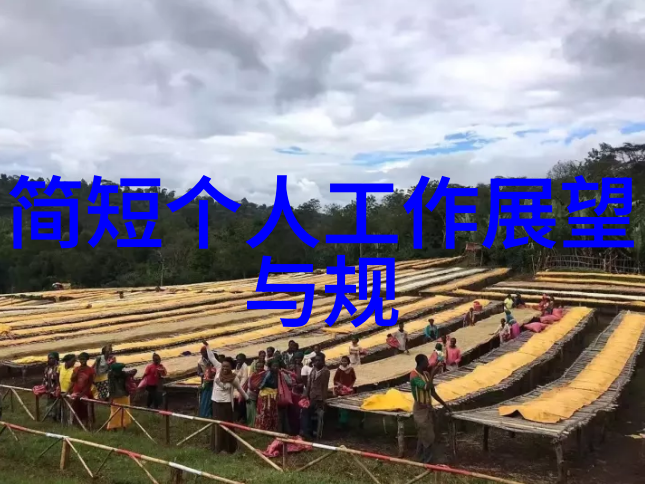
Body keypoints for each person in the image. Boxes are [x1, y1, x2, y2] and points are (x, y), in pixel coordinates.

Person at [410, 354, 452, 463]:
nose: (428, 363)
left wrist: (445, 405)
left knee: (424, 434)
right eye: (426, 361)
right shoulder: (414, 375)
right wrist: (433, 374)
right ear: (420, 363)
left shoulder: (426, 374)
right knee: (428, 435)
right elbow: (426, 387)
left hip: (428, 408)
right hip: (420, 409)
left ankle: (420, 457)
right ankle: (427, 461)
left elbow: (432, 392)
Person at [211, 357, 248, 453]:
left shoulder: (234, 378)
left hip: (225, 404)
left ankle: (227, 447)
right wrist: (207, 348)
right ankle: (216, 446)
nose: (224, 368)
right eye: (223, 366)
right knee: (216, 425)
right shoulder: (218, 369)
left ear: (231, 367)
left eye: (227, 366)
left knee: (225, 425)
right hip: (215, 402)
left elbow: (239, 388)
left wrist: (247, 398)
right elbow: (211, 357)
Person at [255, 358, 291, 433]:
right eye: (274, 366)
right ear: (270, 367)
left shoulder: (279, 374)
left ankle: (271, 429)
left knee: (272, 413)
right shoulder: (268, 374)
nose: (276, 367)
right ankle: (264, 429)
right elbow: (261, 385)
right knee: (266, 413)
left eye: (277, 366)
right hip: (266, 396)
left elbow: (289, 382)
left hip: (273, 395)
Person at [301, 356, 330, 439]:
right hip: (311, 396)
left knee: (308, 412)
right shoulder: (313, 370)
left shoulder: (325, 371)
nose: (317, 362)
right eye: (315, 361)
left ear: (323, 361)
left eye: (319, 360)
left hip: (319, 397)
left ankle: (308, 432)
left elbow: (324, 386)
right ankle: (307, 431)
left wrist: (323, 399)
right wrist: (305, 394)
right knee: (305, 411)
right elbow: (309, 384)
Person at [107, 363, 136, 430]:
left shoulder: (121, 374)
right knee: (119, 413)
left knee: (119, 413)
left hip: (121, 396)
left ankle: (119, 427)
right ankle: (118, 428)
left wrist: (110, 399)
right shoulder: (115, 375)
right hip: (120, 396)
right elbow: (111, 388)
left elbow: (111, 389)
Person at [70, 353, 95, 426]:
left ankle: (86, 422)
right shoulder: (76, 369)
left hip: (86, 392)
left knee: (84, 407)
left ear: (87, 360)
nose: (82, 361)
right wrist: (77, 372)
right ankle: (76, 422)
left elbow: (89, 384)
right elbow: (72, 379)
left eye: (83, 359)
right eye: (80, 359)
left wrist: (82, 394)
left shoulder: (90, 370)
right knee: (75, 406)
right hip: (76, 391)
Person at [333, 356, 356, 429]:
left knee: (347, 406)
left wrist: (351, 386)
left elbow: (354, 378)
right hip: (341, 391)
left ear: (348, 362)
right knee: (341, 406)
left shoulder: (351, 369)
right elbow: (335, 380)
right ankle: (341, 423)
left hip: (349, 390)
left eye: (345, 361)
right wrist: (340, 385)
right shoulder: (339, 370)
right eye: (342, 361)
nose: (344, 362)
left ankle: (346, 422)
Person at [43, 352, 61, 422]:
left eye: (52, 358)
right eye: (49, 358)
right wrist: (44, 387)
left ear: (56, 359)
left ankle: (58, 417)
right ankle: (51, 416)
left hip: (57, 389)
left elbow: (60, 379)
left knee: (58, 404)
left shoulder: (59, 368)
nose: (50, 360)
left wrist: (57, 388)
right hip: (49, 389)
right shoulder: (47, 368)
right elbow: (45, 378)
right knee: (50, 403)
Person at [234, 353, 249, 422]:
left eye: (240, 359)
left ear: (244, 360)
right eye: (237, 359)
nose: (238, 361)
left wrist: (238, 387)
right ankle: (237, 416)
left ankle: (242, 417)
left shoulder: (245, 367)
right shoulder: (237, 365)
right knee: (236, 402)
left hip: (242, 386)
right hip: (236, 385)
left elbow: (244, 378)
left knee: (241, 403)